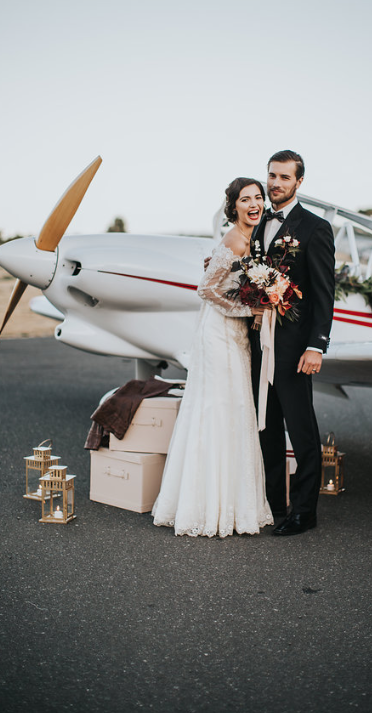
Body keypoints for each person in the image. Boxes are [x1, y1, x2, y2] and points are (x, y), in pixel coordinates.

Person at [152, 178, 274, 537]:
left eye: (257, 198)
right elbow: (205, 288)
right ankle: (206, 505)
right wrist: (247, 312)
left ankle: (235, 504)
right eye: (245, 199)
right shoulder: (234, 238)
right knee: (219, 409)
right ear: (233, 206)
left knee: (237, 408)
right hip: (219, 333)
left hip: (235, 336)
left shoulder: (256, 238)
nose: (253, 204)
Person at [249, 150, 335, 536]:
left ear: (299, 182)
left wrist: (316, 345)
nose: (275, 184)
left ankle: (305, 511)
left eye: (284, 177)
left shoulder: (315, 228)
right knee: (266, 429)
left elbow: (323, 293)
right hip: (257, 347)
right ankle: (274, 503)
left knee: (302, 432)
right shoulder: (258, 224)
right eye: (271, 176)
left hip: (296, 350)